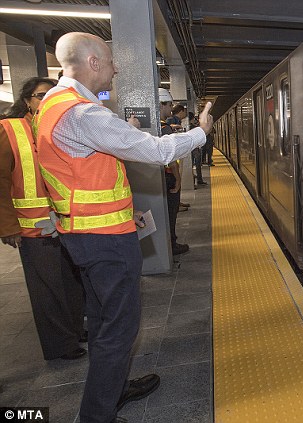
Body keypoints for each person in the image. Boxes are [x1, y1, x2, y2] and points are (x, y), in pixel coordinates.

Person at [34, 32, 213, 423]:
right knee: (119, 329)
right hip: (105, 242)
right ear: (93, 62)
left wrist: (117, 213)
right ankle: (98, 414)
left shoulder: (51, 105)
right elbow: (159, 152)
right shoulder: (83, 113)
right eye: (112, 60)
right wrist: (201, 130)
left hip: (84, 232)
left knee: (101, 322)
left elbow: (80, 176)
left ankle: (111, 389)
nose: (116, 68)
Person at [0, 77, 86, 361]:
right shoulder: (8, 129)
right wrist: (7, 226)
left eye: (52, 96)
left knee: (72, 281)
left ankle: (74, 329)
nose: (45, 101)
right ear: (26, 100)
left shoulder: (56, 126)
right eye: (40, 96)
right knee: (47, 288)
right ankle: (60, 345)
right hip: (33, 228)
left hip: (65, 222)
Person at [158, 88, 189, 255]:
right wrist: (178, 179)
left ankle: (170, 243)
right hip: (169, 176)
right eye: (169, 104)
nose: (171, 109)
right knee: (171, 212)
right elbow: (171, 157)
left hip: (161, 176)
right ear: (162, 105)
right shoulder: (166, 128)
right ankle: (172, 244)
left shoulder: (160, 126)